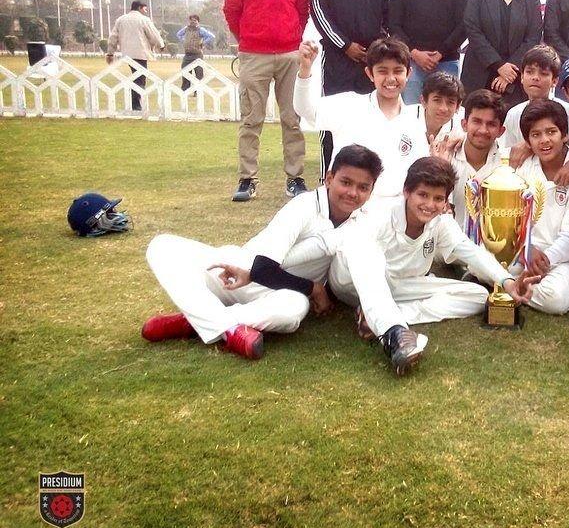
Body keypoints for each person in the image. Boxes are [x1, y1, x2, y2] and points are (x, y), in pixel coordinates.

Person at [142, 145, 429, 375]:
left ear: (372, 190)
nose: (353, 193)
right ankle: (227, 328)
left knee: (293, 311)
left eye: (363, 187)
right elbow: (263, 267)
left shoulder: (364, 219)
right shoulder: (303, 206)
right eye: (345, 182)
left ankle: (195, 322)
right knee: (162, 246)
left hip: (281, 294)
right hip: (237, 272)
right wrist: (314, 288)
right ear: (329, 178)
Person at [354, 157, 533, 331]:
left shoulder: (441, 222)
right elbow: (364, 267)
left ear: (446, 200)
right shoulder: (381, 215)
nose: (430, 205)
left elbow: (472, 252)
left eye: (438, 198)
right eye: (423, 195)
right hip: (362, 285)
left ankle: (397, 313)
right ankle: (381, 313)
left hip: (402, 286)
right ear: (406, 191)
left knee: (478, 296)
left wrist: (507, 281)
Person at [223, 0, 309, 202]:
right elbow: (232, 10)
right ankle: (247, 179)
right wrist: (247, 38)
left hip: (289, 54)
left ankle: (295, 178)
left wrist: (291, 39)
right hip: (253, 54)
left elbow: (302, 10)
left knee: (292, 119)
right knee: (251, 119)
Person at [293, 37, 428, 215]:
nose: (391, 79)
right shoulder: (349, 105)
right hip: (351, 212)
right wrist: (305, 69)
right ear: (370, 74)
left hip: (398, 214)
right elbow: (305, 109)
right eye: (382, 71)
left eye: (398, 71)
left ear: (408, 74)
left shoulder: (416, 118)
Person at [309, 0, 390, 169]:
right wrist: (345, 45)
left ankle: (367, 178)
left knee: (370, 120)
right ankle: (328, 177)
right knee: (333, 120)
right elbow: (318, 9)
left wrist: (376, 52)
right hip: (337, 60)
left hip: (370, 63)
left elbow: (386, 17)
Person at [510, 100, 569, 315]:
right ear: (527, 141)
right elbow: (513, 220)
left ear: (564, 135)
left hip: (562, 260)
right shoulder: (524, 166)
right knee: (484, 264)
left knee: (557, 301)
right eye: (536, 135)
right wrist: (527, 249)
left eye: (551, 132)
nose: (544, 140)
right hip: (524, 252)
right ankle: (514, 285)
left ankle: (510, 288)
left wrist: (545, 260)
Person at [461, 0, 542, 106]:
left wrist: (510, 72)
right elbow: (473, 32)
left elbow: (533, 38)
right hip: (479, 74)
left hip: (515, 79)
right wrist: (499, 65)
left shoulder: (531, 0)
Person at [501, 45, 569, 151]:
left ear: (554, 81)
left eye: (543, 73)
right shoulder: (513, 114)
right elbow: (506, 152)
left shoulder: (567, 111)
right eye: (529, 72)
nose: (535, 77)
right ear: (522, 77)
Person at [449, 89, 506, 231]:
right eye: (477, 121)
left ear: (501, 131)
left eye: (491, 124)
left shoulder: (509, 165)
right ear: (464, 124)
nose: (483, 130)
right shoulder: (445, 158)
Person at [107, 0, 165, 112]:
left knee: (136, 77)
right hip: (141, 53)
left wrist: (110, 52)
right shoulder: (144, 20)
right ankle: (136, 105)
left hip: (127, 54)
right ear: (139, 8)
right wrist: (161, 45)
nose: (146, 11)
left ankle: (135, 103)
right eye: (145, 9)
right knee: (140, 79)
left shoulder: (121, 19)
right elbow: (153, 34)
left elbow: (113, 37)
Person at [409, 71, 465, 149]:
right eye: (437, 100)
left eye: (450, 102)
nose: (443, 108)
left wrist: (465, 140)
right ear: (423, 101)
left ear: (458, 106)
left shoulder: (464, 124)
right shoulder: (404, 117)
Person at [176, 14, 215, 93]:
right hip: (187, 55)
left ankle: (198, 91)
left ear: (198, 22)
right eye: (191, 20)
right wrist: (184, 41)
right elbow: (178, 34)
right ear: (189, 21)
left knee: (199, 73)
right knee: (185, 72)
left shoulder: (201, 30)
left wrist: (203, 43)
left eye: (195, 20)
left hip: (197, 55)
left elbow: (211, 36)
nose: (193, 22)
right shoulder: (186, 29)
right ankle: (185, 90)